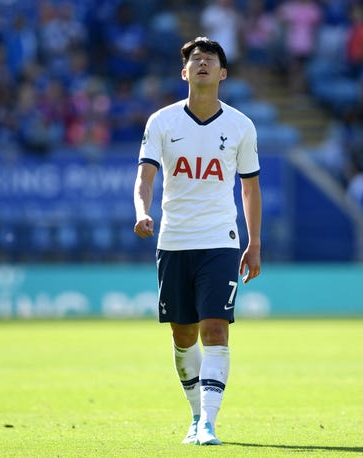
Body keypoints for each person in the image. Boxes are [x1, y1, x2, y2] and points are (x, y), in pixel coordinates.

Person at [133, 37, 262, 446]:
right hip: (173, 241)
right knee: (183, 336)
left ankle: (208, 422)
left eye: (210, 60)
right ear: (184, 73)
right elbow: (146, 177)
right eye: (195, 60)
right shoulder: (161, 122)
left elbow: (250, 189)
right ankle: (194, 414)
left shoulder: (241, 126)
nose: (202, 64)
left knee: (216, 330)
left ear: (223, 74)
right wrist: (141, 210)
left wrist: (253, 242)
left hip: (220, 241)